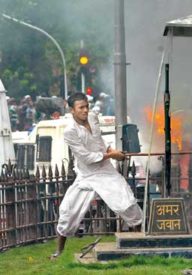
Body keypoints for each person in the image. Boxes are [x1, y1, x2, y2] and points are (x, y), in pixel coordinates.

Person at [51, 93, 143, 258]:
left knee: (127, 203)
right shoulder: (70, 132)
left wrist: (111, 151)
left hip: (106, 171)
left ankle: (141, 244)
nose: (85, 110)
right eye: (81, 108)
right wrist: (113, 155)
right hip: (86, 174)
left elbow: (100, 143)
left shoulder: (93, 118)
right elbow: (86, 157)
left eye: (87, 106)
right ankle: (59, 251)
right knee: (68, 210)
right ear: (72, 110)